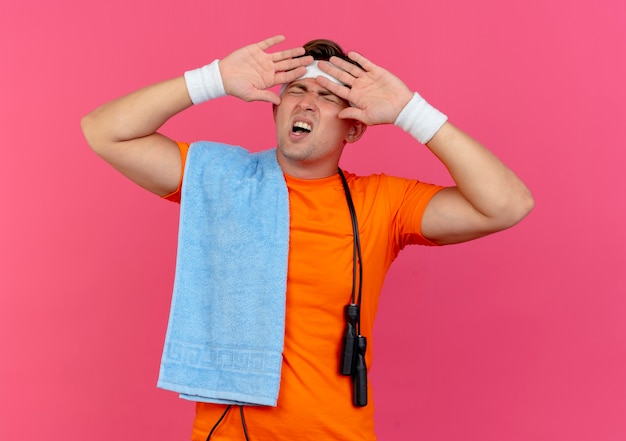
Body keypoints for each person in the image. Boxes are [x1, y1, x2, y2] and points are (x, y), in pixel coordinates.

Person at [81, 35, 534, 441]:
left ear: (354, 126)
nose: (306, 102)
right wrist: (213, 78)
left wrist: (411, 113)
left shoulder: (381, 203)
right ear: (276, 110)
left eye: (327, 95)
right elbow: (105, 132)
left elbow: (508, 204)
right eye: (296, 90)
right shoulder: (220, 178)